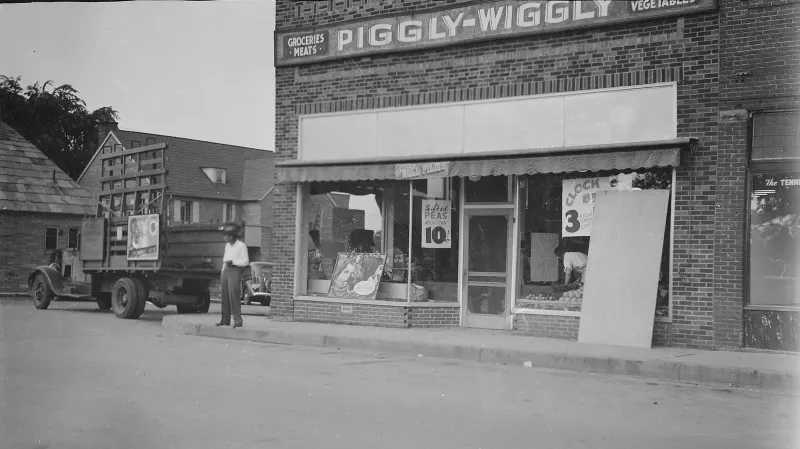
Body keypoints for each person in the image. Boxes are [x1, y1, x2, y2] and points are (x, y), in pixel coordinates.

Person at [217, 223, 249, 328]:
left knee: (233, 295)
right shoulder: (227, 246)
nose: (224, 237)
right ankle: (225, 320)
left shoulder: (241, 246)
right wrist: (222, 271)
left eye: (226, 235)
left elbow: (245, 261)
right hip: (226, 269)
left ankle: (238, 321)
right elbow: (225, 260)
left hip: (235, 270)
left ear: (231, 236)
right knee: (224, 295)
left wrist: (234, 262)